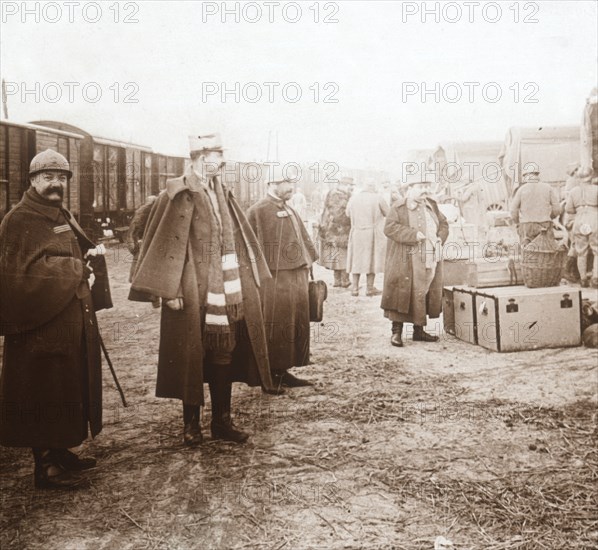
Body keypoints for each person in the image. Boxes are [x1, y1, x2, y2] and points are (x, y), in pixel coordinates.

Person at [129, 133, 280, 447]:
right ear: (199, 155)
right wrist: (169, 290)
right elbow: (165, 241)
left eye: (221, 154)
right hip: (190, 287)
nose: (221, 160)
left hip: (224, 286)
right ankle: (191, 425)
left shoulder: (220, 191)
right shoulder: (179, 192)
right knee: (191, 354)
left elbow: (235, 236)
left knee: (223, 350)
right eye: (216, 153)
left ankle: (222, 421)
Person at [0, 149, 111, 489]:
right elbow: (22, 277)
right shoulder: (20, 219)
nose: (56, 183)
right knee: (43, 389)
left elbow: (69, 250)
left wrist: (90, 253)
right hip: (38, 327)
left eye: (61, 178)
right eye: (48, 177)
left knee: (66, 385)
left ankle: (61, 450)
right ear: (32, 180)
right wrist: (77, 269)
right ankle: (45, 467)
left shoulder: (59, 212)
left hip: (65, 320)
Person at [247, 165, 318, 387]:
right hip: (275, 280)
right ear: (272, 184)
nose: (291, 188)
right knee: (276, 325)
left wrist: (308, 263)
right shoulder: (258, 211)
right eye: (286, 184)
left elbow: (302, 238)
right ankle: (269, 375)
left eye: (290, 183)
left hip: (296, 276)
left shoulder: (288, 208)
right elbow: (248, 248)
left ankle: (283, 370)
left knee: (294, 323)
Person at [381, 175, 449, 347]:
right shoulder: (398, 207)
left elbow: (444, 224)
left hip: (429, 257)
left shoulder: (431, 205)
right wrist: (412, 235)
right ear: (410, 187)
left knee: (424, 290)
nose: (425, 190)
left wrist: (440, 237)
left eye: (427, 185)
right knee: (402, 293)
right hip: (405, 259)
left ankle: (419, 330)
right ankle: (396, 332)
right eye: (421, 186)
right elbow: (389, 228)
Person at [345, 180, 389, 296]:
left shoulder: (353, 198)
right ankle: (369, 288)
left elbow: (347, 214)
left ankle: (354, 288)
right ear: (373, 187)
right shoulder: (378, 198)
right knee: (372, 259)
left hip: (357, 232)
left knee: (356, 260)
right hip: (372, 233)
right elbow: (388, 213)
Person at [510, 166, 562, 246]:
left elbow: (513, 210)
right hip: (545, 225)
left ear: (526, 176)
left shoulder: (521, 190)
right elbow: (557, 209)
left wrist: (518, 222)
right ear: (537, 175)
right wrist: (549, 217)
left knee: (527, 251)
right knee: (546, 251)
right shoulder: (548, 188)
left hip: (527, 226)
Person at [318, 177, 353, 288]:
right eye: (348, 185)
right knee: (343, 255)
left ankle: (338, 281)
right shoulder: (339, 195)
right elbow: (339, 215)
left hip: (331, 230)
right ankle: (344, 281)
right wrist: (350, 220)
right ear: (341, 184)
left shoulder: (333, 193)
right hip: (339, 231)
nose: (350, 187)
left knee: (336, 256)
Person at [565, 169, 598, 288]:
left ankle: (583, 279)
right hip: (594, 219)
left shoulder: (574, 191)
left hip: (579, 220)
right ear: (591, 176)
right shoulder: (596, 189)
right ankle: (595, 278)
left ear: (579, 178)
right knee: (597, 250)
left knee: (581, 252)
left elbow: (569, 209)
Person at [125, 194, 158, 283]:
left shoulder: (140, 214)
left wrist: (133, 248)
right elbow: (131, 234)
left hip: (142, 248)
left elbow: (130, 234)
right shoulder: (142, 215)